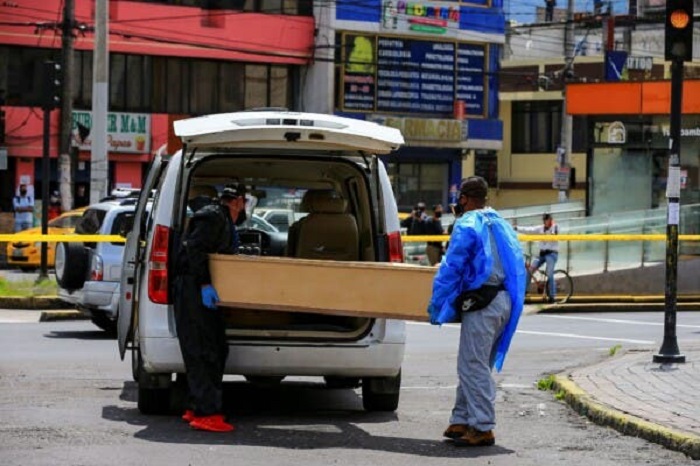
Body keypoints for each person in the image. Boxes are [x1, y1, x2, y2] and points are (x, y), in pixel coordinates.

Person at [427, 176, 526, 447]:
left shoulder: (467, 224)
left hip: (482, 303)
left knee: (471, 366)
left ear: (464, 199)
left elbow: (452, 267)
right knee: (476, 364)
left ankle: (482, 426)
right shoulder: (500, 223)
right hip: (504, 301)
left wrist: (437, 304)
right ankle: (461, 420)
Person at [173, 182, 248, 433]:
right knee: (205, 350)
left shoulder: (220, 218)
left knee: (213, 347)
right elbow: (194, 248)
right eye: (244, 203)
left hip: (199, 290)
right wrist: (205, 283)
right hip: (194, 289)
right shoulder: (213, 217)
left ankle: (196, 406)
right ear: (238, 202)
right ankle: (207, 413)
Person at [514, 213, 560, 303]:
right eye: (544, 220)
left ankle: (552, 296)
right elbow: (529, 230)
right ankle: (525, 292)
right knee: (529, 270)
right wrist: (517, 228)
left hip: (551, 254)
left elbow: (555, 235)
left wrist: (551, 231)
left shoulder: (555, 227)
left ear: (550, 220)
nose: (545, 222)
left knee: (549, 273)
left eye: (547, 220)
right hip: (542, 254)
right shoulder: (540, 228)